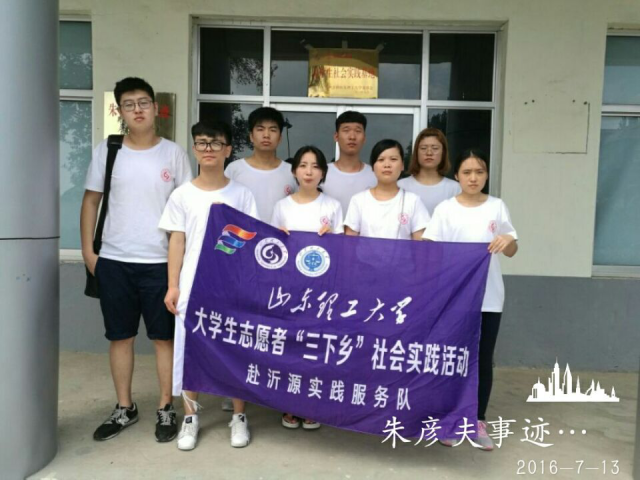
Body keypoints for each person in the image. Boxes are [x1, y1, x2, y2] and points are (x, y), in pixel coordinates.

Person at [81, 77, 193, 442]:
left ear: (155, 107)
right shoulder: (108, 150)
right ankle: (124, 407)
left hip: (161, 263)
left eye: (143, 102)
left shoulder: (173, 154)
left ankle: (165, 407)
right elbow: (91, 201)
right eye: (129, 104)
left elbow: (186, 211)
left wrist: (181, 265)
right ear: (120, 111)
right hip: (114, 260)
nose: (137, 110)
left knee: (163, 339)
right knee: (120, 337)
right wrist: (89, 253)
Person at [159, 121, 258, 450]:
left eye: (216, 143)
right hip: (192, 284)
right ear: (194, 149)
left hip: (231, 286)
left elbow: (251, 241)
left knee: (234, 347)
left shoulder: (241, 194)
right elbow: (177, 241)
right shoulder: (182, 195)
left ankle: (239, 415)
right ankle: (190, 417)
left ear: (228, 149)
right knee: (189, 348)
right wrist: (173, 285)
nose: (208, 149)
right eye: (202, 143)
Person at [422, 149, 518, 451]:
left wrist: (508, 240)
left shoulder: (497, 207)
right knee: (451, 358)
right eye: (467, 172)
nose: (473, 178)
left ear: (486, 175)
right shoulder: (445, 209)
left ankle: (477, 420)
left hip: (489, 296)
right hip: (453, 297)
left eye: (479, 172)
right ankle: (448, 419)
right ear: (457, 176)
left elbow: (512, 249)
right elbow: (431, 250)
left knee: (482, 359)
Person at [270, 145, 343, 431]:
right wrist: (280, 238)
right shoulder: (282, 206)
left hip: (322, 290)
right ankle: (290, 404)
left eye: (315, 166)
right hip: (290, 288)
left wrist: (332, 238)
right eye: (303, 165)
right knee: (291, 344)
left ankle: (312, 404)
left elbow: (343, 251)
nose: (309, 171)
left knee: (316, 345)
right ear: (294, 171)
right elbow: (272, 249)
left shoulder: (332, 206)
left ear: (323, 172)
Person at [344, 139, 430, 240]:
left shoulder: (413, 201)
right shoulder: (359, 200)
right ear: (373, 166)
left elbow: (420, 244)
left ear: (402, 165)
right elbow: (349, 242)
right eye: (381, 160)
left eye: (393, 159)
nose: (387, 165)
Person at [224, 106, 297, 223]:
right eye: (260, 129)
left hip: (280, 234)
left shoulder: (291, 172)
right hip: (243, 233)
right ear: (251, 136)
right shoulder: (234, 169)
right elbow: (224, 207)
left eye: (273, 130)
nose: (266, 135)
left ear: (280, 138)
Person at [322, 111, 377, 214]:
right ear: (336, 136)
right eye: (346, 130)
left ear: (364, 138)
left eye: (358, 131)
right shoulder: (322, 173)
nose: (352, 137)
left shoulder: (375, 175)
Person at [398, 127, 461, 216]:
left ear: (443, 152)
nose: (429, 153)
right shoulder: (401, 186)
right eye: (423, 148)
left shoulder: (455, 188)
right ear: (416, 152)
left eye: (435, 148)